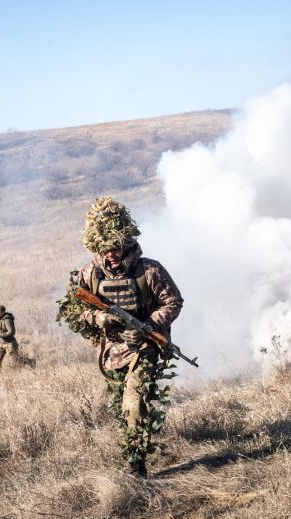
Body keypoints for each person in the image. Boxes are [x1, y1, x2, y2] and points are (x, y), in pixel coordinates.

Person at [58, 196, 183, 478]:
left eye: (114, 248)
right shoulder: (89, 274)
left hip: (144, 347)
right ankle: (134, 449)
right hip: (111, 352)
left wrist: (149, 326)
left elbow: (173, 302)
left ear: (125, 242)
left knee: (134, 403)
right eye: (104, 250)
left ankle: (135, 465)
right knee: (120, 408)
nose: (110, 255)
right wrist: (97, 317)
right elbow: (72, 310)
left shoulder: (149, 270)